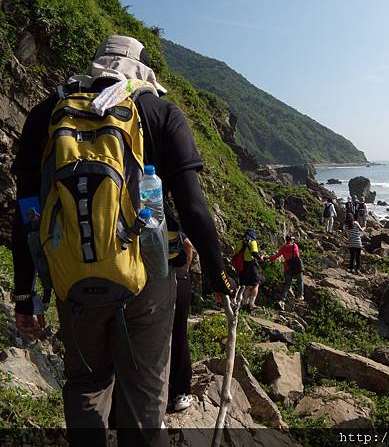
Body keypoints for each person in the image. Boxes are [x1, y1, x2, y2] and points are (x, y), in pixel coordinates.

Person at [11, 35, 235, 447]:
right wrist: (218, 273)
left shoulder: (48, 113)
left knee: (85, 383)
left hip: (71, 273)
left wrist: (26, 295)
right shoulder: (160, 112)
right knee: (145, 391)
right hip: (147, 278)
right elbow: (193, 208)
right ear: (143, 69)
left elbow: (26, 210)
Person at [169, 236, 194, 412]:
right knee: (179, 335)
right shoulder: (168, 213)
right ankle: (181, 392)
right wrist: (183, 271)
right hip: (176, 279)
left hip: (144, 282)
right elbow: (188, 245)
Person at [270, 235, 304, 310]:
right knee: (300, 280)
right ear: (292, 240)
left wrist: (269, 259)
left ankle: (282, 300)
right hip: (297, 267)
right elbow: (297, 255)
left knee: (287, 284)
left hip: (287, 268)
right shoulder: (295, 246)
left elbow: (276, 256)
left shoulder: (283, 247)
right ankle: (300, 295)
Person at [235, 228, 264, 310]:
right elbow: (255, 253)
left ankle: (244, 303)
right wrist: (260, 257)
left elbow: (235, 253)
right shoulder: (252, 242)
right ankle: (251, 304)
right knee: (256, 284)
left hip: (241, 266)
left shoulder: (239, 242)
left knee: (246, 285)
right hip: (250, 265)